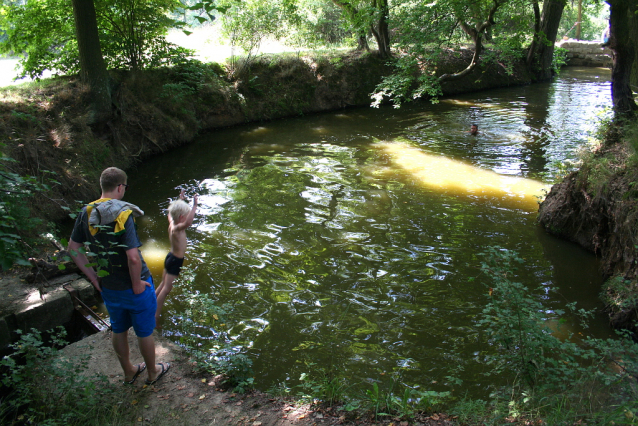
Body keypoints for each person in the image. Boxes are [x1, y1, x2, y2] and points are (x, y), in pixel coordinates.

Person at [68, 167, 170, 385]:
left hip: (109, 286)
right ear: (121, 187)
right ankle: (152, 372)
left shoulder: (86, 212)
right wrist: (136, 284)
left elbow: (74, 248)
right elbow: (133, 257)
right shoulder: (123, 213)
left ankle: (129, 372)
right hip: (135, 287)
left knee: (119, 328)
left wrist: (94, 278)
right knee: (144, 332)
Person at [155, 189, 198, 323]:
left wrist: (181, 199)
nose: (188, 216)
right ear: (181, 218)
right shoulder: (178, 228)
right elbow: (188, 222)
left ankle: (149, 303)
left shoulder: (172, 223)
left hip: (170, 257)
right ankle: (155, 316)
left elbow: (171, 212)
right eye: (186, 214)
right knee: (167, 289)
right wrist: (195, 205)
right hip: (175, 261)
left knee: (162, 284)